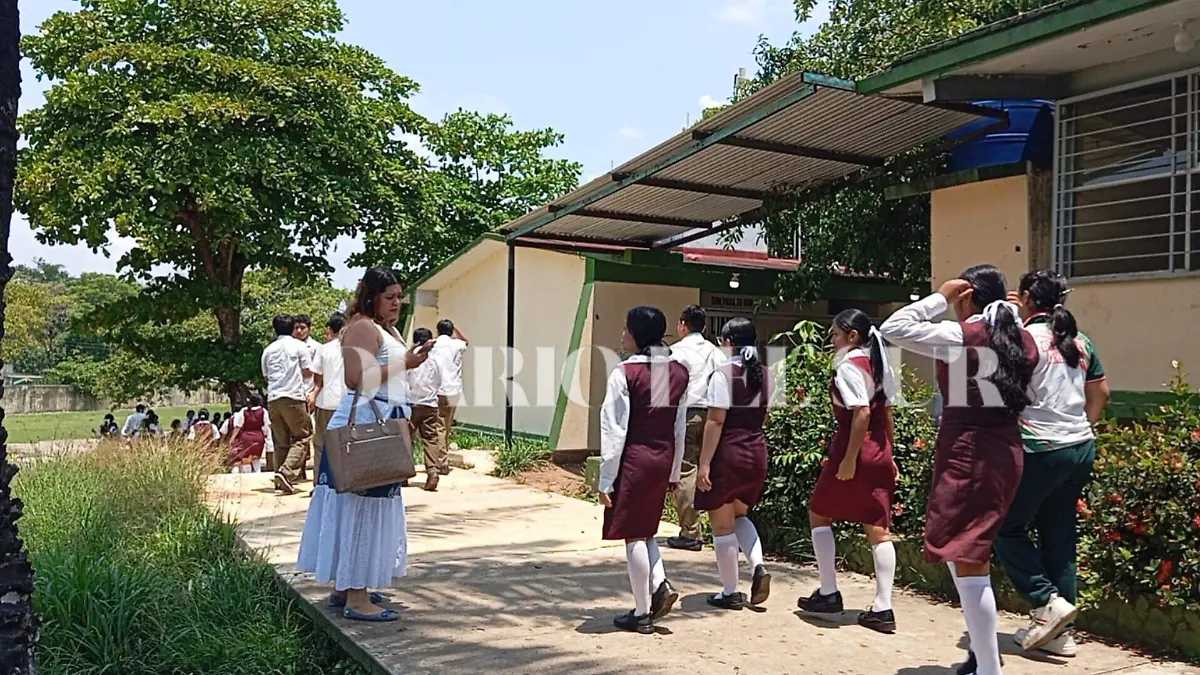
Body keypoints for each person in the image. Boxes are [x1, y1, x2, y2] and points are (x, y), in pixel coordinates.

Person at [881, 265, 1038, 675]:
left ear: (968, 295)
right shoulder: (1023, 340)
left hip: (970, 451)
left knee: (968, 556)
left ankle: (988, 668)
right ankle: (983, 661)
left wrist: (939, 296)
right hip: (1005, 448)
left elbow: (895, 327)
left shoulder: (962, 335)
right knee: (966, 553)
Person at [297, 268, 429, 622]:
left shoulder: (384, 329)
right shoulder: (362, 327)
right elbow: (357, 379)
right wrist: (406, 361)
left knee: (361, 506)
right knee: (361, 507)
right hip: (367, 425)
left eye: (400, 296)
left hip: (382, 420)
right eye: (390, 297)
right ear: (371, 296)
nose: (397, 302)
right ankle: (356, 597)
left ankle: (347, 587)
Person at [993, 270, 1110, 658]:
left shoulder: (1025, 339)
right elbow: (1102, 394)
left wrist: (1007, 318)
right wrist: (1081, 430)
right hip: (1080, 446)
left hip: (1039, 449)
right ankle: (1061, 635)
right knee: (1059, 538)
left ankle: (1046, 602)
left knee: (1005, 527)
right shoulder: (1081, 341)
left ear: (1026, 296)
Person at [798, 309, 900, 633]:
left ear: (851, 335)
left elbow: (861, 413)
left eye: (835, 334)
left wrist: (849, 458)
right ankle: (883, 607)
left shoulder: (848, 367)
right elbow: (888, 415)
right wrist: (891, 456)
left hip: (855, 449)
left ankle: (828, 593)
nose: (832, 340)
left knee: (819, 513)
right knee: (878, 528)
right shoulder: (880, 366)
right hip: (880, 451)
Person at [599, 306, 689, 634]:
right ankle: (660, 585)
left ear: (635, 335)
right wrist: (675, 472)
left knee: (633, 533)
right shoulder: (675, 372)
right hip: (662, 458)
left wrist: (606, 479)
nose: (622, 335)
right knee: (646, 527)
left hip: (634, 459)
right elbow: (677, 427)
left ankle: (641, 612)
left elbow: (614, 430)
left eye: (625, 329)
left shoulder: (625, 372)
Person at [695, 317, 773, 610]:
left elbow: (716, 420)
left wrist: (704, 464)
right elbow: (762, 416)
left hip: (729, 453)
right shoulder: (767, 375)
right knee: (740, 516)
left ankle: (730, 591)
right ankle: (758, 566)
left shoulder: (722, 375)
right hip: (756, 451)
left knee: (722, 525)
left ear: (727, 342)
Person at [665, 304, 726, 552]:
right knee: (707, 468)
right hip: (713, 414)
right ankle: (718, 527)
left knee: (686, 470)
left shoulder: (675, 352)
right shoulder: (716, 352)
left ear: (682, 324)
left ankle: (691, 532)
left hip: (686, 414)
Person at [261, 313, 315, 495]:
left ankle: (280, 478)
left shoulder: (268, 350)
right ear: (292, 328)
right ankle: (286, 472)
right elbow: (308, 372)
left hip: (273, 398)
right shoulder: (299, 346)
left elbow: (266, 374)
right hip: (293, 397)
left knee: (280, 440)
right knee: (302, 436)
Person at [407, 327, 445, 491]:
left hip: (410, 403)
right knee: (430, 438)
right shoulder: (436, 358)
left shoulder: (409, 357)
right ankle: (433, 472)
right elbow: (439, 380)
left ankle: (404, 474)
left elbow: (403, 378)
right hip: (429, 403)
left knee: (407, 439)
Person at [311, 311, 348, 476]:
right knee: (346, 443)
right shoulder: (355, 349)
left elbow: (317, 377)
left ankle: (319, 480)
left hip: (326, 402)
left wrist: (313, 394)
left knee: (321, 444)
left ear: (330, 330)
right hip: (348, 402)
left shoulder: (323, 349)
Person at [430, 319, 468, 451]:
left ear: (438, 330)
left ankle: (440, 458)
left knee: (438, 426)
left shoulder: (433, 345)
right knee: (447, 425)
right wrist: (456, 328)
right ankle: (443, 456)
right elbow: (466, 341)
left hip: (438, 390)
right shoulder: (457, 344)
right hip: (454, 390)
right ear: (451, 331)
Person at [227, 394, 272, 474]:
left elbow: (238, 426)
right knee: (256, 458)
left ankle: (248, 475)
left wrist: (232, 439)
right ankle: (257, 474)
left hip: (246, 437)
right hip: (259, 437)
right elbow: (268, 425)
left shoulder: (244, 411)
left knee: (246, 458)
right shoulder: (263, 411)